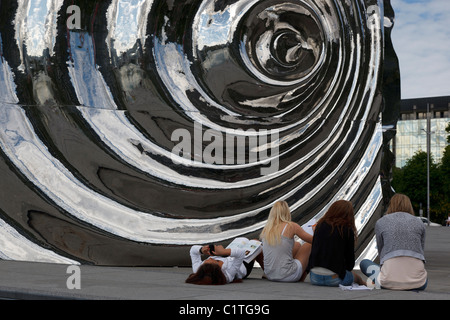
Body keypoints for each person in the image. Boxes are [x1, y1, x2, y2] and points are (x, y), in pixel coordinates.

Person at [359, 193, 428, 291]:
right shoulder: (419, 223)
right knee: (423, 275)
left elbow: (381, 251)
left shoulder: (381, 222)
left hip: (387, 282)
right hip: (418, 283)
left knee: (364, 263)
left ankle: (386, 279)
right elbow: (420, 250)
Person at [307, 200, 365, 287]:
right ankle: (366, 284)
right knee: (357, 278)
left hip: (314, 278)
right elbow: (350, 263)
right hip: (334, 278)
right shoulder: (346, 229)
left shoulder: (320, 225)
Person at [259, 201, 313, 282]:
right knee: (308, 245)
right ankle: (301, 278)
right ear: (287, 212)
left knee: (297, 244)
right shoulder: (291, 226)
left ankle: (282, 269)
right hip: (288, 275)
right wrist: (315, 230)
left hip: (270, 275)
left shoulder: (267, 229)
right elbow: (314, 241)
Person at [186, 239, 262, 285]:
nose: (209, 258)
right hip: (242, 264)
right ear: (218, 269)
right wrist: (224, 252)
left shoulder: (198, 270)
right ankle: (269, 272)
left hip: (224, 255)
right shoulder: (228, 274)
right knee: (256, 242)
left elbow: (193, 250)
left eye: (206, 261)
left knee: (242, 239)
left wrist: (201, 250)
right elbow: (241, 254)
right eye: (213, 260)